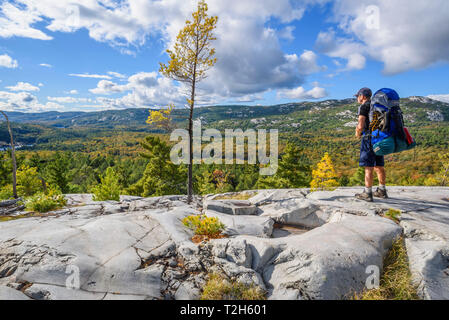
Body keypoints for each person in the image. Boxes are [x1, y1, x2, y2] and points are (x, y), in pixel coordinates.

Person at [354, 87, 388, 202]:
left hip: (368, 139)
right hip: (378, 138)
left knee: (368, 167)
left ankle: (368, 193)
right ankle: (382, 190)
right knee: (379, 165)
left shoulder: (364, 106)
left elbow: (361, 124)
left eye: (358, 96)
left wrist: (358, 133)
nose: (357, 98)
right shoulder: (377, 105)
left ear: (362, 96)